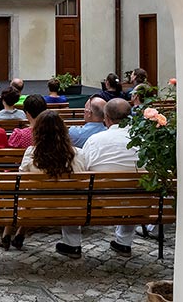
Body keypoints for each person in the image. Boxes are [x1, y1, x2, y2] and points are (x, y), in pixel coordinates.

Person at [57, 98, 139, 259]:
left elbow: (83, 167)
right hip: (137, 201)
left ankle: (72, 243)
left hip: (97, 201)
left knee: (71, 189)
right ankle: (124, 242)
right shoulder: (142, 140)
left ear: (106, 118)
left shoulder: (96, 140)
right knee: (133, 189)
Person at [0, 110, 87, 250]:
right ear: (64, 131)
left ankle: (7, 234)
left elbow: (21, 184)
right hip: (70, 208)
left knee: (26, 196)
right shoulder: (78, 154)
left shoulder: (31, 153)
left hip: (36, 208)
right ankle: (20, 233)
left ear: (38, 132)